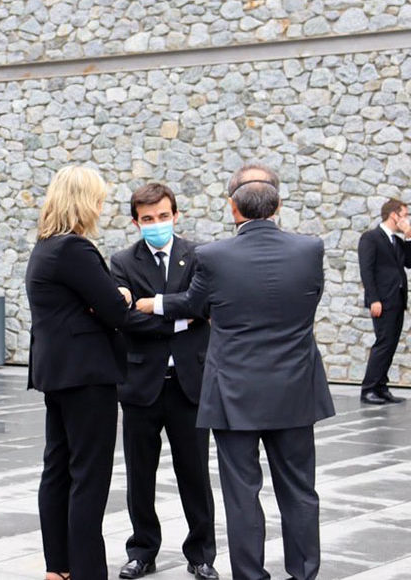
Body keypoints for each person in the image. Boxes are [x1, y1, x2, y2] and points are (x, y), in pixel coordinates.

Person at [136, 164, 335, 580]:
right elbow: (310, 299)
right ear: (277, 206)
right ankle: (304, 573)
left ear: (232, 208)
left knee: (241, 494)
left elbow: (194, 304)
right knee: (300, 489)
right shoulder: (309, 249)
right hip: (295, 387)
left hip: (234, 391)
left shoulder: (213, 256)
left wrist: (154, 303)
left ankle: (249, 574)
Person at [25, 165, 133, 580]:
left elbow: (95, 304)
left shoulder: (46, 247)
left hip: (58, 373)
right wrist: (121, 294)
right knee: (89, 476)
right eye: (99, 200)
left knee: (58, 469)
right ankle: (87, 570)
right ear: (85, 202)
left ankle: (59, 567)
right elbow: (115, 310)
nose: (101, 208)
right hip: (87, 375)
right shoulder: (75, 249)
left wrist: (103, 301)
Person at [109, 183, 218, 580]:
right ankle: (142, 550)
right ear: (136, 222)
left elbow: (203, 305)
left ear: (176, 215)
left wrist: (156, 308)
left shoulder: (199, 256)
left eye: (163, 216)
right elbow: (123, 318)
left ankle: (201, 554)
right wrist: (180, 319)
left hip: (189, 381)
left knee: (195, 473)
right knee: (140, 474)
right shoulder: (122, 262)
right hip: (141, 382)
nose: (157, 224)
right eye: (148, 219)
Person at [357, 198, 411, 405]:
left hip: (397, 299)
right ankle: (369, 389)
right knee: (383, 343)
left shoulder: (396, 240)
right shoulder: (371, 238)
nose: (406, 219)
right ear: (393, 215)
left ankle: (381, 387)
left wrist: (408, 237)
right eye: (404, 215)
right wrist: (374, 299)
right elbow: (366, 270)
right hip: (382, 301)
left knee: (391, 345)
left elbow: (409, 262)